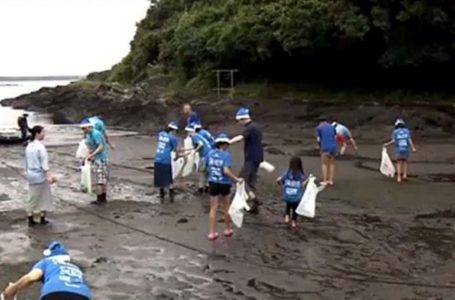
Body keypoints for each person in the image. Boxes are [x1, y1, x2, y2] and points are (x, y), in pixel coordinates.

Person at [1, 241, 91, 300]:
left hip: (56, 292)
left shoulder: (47, 262)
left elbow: (31, 277)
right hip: (82, 294)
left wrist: (10, 291)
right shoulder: (75, 268)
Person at [206, 133, 243, 240]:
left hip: (212, 182)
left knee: (213, 208)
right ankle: (227, 229)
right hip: (224, 183)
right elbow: (226, 170)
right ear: (225, 144)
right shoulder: (226, 155)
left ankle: (212, 232)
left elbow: (207, 166)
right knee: (226, 207)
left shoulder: (210, 153)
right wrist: (236, 179)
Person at [229, 108, 264, 214]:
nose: (239, 123)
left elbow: (241, 137)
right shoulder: (257, 126)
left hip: (251, 157)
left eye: (239, 121)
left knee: (241, 180)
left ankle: (254, 199)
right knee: (251, 181)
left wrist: (228, 142)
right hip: (258, 157)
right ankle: (255, 206)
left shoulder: (249, 128)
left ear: (243, 119)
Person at [25, 126, 55, 227]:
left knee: (32, 196)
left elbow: (26, 162)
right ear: (37, 133)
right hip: (40, 174)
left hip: (31, 174)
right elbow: (44, 164)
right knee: (44, 196)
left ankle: (31, 218)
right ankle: (42, 218)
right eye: (43, 132)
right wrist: (49, 176)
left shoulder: (29, 146)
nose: (44, 134)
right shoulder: (40, 147)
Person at [80, 118, 109, 205]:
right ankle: (102, 198)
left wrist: (92, 155)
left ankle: (101, 198)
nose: (83, 131)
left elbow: (101, 146)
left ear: (89, 127)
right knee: (99, 178)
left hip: (101, 159)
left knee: (100, 180)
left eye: (84, 129)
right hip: (96, 158)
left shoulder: (96, 134)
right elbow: (90, 147)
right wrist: (87, 156)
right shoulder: (89, 135)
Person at [276, 157, 307, 229]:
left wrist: (282, 185)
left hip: (287, 195)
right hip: (296, 197)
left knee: (288, 203)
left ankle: (287, 215)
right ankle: (294, 221)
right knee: (295, 207)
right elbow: (301, 185)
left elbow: (278, 180)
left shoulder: (287, 173)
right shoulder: (301, 175)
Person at [383, 118, 417, 183]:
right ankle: (404, 175)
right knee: (405, 162)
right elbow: (409, 140)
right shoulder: (406, 131)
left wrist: (386, 144)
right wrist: (413, 148)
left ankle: (399, 177)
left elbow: (394, 141)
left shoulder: (395, 132)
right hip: (406, 149)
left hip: (399, 149)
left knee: (399, 163)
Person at [154, 121, 180, 203]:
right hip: (166, 159)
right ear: (174, 130)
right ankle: (171, 193)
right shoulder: (173, 138)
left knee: (160, 177)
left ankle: (161, 193)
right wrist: (177, 157)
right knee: (169, 177)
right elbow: (175, 150)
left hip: (158, 157)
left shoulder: (161, 134)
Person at [185, 123, 213, 194]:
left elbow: (200, 144)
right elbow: (195, 147)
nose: (187, 134)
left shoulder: (194, 136)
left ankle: (200, 188)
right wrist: (186, 151)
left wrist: (194, 151)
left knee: (202, 172)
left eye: (187, 132)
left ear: (190, 131)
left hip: (205, 155)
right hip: (211, 154)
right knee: (207, 172)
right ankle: (207, 187)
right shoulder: (198, 135)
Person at [316, 116, 337, 185]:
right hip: (333, 147)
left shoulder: (319, 128)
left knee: (324, 164)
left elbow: (318, 139)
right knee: (332, 164)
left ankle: (325, 180)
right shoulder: (332, 127)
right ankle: (330, 180)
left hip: (325, 147)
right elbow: (335, 137)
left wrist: (320, 146)